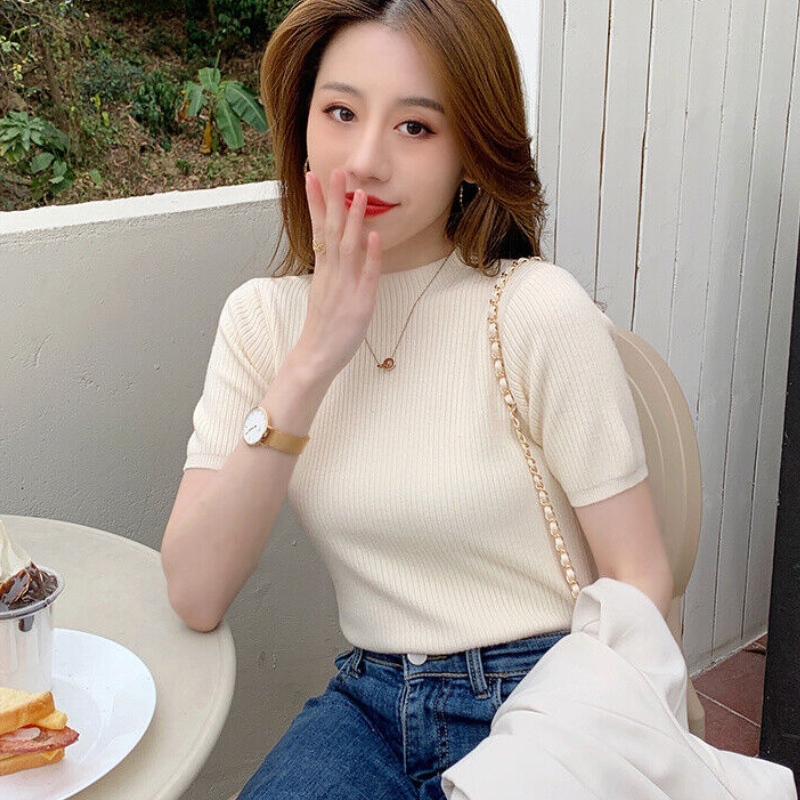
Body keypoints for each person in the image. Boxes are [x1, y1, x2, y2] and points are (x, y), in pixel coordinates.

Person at [160, 1, 674, 798]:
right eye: (341, 113)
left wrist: (584, 732)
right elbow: (196, 594)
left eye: (416, 127)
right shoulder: (261, 322)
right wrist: (313, 360)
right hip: (369, 702)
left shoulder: (534, 309)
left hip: (545, 692)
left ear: (471, 152)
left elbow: (639, 575)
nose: (366, 161)